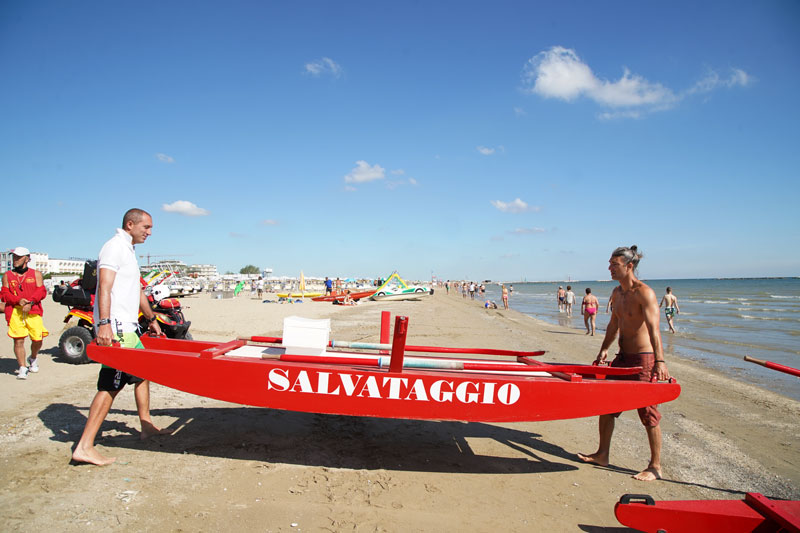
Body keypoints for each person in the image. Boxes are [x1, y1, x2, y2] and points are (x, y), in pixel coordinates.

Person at [72, 209, 170, 466]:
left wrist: (151, 320)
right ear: (130, 224)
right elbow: (104, 285)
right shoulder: (114, 247)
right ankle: (85, 446)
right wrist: (103, 325)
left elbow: (136, 290)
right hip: (116, 328)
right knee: (111, 385)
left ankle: (146, 426)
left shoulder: (128, 250)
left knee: (142, 373)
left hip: (129, 326)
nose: (149, 232)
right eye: (146, 227)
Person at [578, 245, 671, 482]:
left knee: (648, 411)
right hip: (622, 358)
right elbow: (613, 325)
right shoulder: (617, 293)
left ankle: (655, 466)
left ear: (629, 266)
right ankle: (602, 454)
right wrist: (604, 350)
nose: (610, 268)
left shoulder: (645, 293)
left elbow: (654, 330)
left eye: (614, 264)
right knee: (606, 405)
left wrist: (660, 361)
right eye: (609, 264)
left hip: (644, 359)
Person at [2, 247, 48, 380]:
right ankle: (22, 367)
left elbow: (41, 291)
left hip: (33, 311)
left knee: (37, 339)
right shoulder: (8, 275)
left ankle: (33, 357)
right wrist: (18, 300)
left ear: (27, 259)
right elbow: (4, 294)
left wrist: (30, 303)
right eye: (13, 257)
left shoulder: (36, 274)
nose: (14, 260)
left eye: (18, 257)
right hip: (15, 312)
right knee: (18, 340)